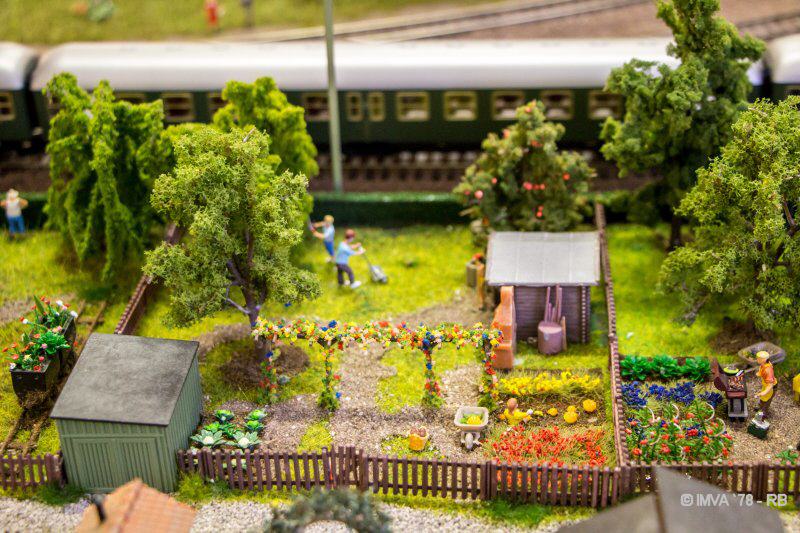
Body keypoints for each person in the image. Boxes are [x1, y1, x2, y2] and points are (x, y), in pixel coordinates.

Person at [754, 350, 777, 420]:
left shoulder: (768, 371)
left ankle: (763, 415)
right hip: (765, 385)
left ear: (764, 360)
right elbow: (761, 369)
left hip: (770, 388)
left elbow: (770, 385)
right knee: (762, 399)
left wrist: (764, 392)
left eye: (758, 358)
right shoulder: (764, 364)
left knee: (766, 401)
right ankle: (760, 406)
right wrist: (759, 373)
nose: (757, 359)